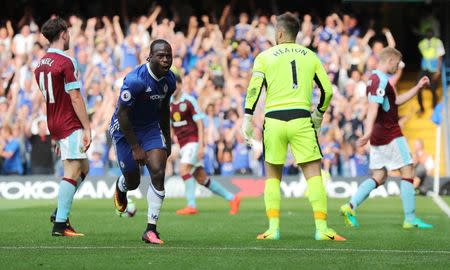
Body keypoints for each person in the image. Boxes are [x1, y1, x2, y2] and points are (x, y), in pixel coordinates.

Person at [242, 12, 345, 241]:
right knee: (313, 175)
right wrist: (318, 115)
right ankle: (322, 229)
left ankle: (273, 228)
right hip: (301, 119)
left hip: (274, 121)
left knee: (272, 177)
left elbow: (254, 89)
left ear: (279, 33)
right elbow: (328, 91)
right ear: (296, 34)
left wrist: (247, 118)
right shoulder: (311, 56)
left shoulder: (264, 56)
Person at [340, 47, 433, 229]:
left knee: (380, 176)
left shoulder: (378, 79)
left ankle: (350, 206)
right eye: (397, 64)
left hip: (379, 135)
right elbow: (373, 108)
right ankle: (410, 218)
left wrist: (417, 87)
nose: (397, 68)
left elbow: (395, 101)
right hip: (390, 134)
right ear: (390, 60)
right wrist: (366, 132)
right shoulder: (379, 80)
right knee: (408, 171)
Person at [110, 39, 175, 245]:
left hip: (150, 128)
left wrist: (168, 138)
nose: (165, 60)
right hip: (124, 129)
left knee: (158, 171)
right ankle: (121, 187)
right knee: (133, 181)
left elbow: (164, 110)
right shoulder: (135, 80)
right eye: (161, 56)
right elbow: (122, 114)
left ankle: (150, 230)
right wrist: (135, 147)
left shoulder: (170, 80)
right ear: (150, 57)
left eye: (168, 56)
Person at [34, 17, 91, 236]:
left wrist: (56, 135)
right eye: (68, 32)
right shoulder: (66, 62)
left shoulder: (40, 64)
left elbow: (51, 97)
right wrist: (87, 127)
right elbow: (74, 96)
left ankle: (60, 208)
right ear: (64, 34)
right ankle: (60, 224)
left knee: (84, 169)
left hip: (54, 122)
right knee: (74, 170)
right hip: (69, 122)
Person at [170, 74, 240, 215]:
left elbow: (200, 123)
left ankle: (191, 205)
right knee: (202, 179)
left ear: (180, 84)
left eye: (175, 84)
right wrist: (173, 138)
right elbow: (170, 124)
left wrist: (201, 145)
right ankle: (233, 198)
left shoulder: (189, 101)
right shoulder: (169, 103)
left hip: (193, 141)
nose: (172, 87)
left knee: (184, 170)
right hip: (183, 144)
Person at [417, 28, 445, 114]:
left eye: (430, 33)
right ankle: (421, 108)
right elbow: (424, 55)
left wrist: (438, 70)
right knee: (418, 88)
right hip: (424, 68)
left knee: (433, 89)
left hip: (434, 69)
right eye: (427, 33)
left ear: (433, 34)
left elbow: (440, 57)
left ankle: (434, 108)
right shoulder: (421, 43)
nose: (429, 34)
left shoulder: (438, 42)